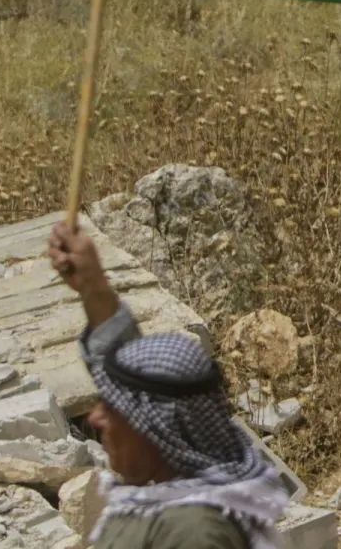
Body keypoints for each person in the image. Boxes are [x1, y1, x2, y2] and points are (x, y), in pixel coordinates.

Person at [48, 220, 289, 549]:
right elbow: (129, 371)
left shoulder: (194, 532)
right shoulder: (177, 498)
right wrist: (92, 284)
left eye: (113, 408)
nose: (96, 418)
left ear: (157, 429)